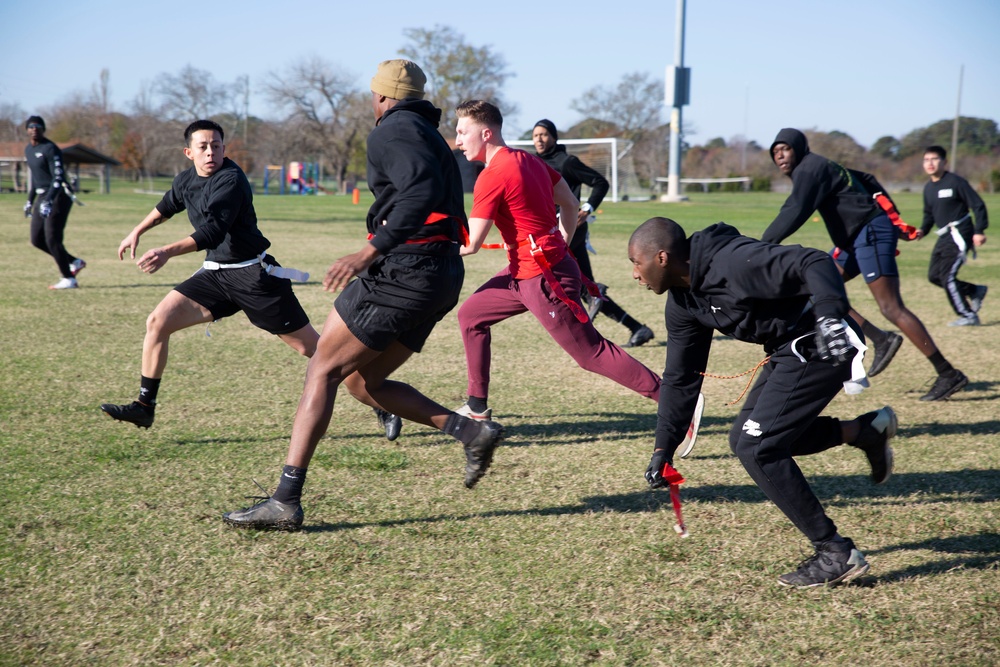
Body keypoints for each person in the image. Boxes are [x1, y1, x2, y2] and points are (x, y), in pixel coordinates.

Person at [223, 60, 503, 531]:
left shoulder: (391, 130)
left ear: (380, 97)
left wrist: (369, 251)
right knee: (362, 382)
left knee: (323, 369)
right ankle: (470, 431)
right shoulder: (428, 132)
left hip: (404, 270)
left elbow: (422, 190)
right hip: (440, 274)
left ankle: (285, 500)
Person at [630, 216, 896, 588]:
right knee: (745, 440)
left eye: (635, 263)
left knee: (758, 447)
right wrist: (664, 446)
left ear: (661, 258)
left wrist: (830, 318)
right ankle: (864, 431)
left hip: (821, 342)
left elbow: (814, 261)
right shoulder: (683, 301)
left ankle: (836, 553)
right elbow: (681, 377)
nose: (635, 275)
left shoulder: (732, 260)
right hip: (788, 351)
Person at [100, 120, 320, 429]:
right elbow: (167, 205)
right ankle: (144, 406)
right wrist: (137, 230)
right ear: (189, 152)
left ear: (224, 149)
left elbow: (213, 232)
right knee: (157, 322)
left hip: (253, 276)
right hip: (216, 276)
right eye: (202, 147)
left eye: (216, 146)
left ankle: (375, 394)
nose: (210, 152)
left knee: (311, 349)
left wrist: (165, 251)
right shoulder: (186, 179)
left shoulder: (230, 180)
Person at [454, 100, 661, 420]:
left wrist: (421, 242)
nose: (457, 140)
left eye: (461, 132)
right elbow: (570, 202)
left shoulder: (491, 175)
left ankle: (674, 401)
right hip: (523, 272)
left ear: (485, 133)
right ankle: (477, 407)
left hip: (543, 277)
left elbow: (471, 244)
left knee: (590, 353)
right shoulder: (531, 161)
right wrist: (560, 242)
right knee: (471, 316)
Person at [764, 128, 967, 401]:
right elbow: (868, 179)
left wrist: (763, 246)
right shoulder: (819, 165)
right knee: (817, 287)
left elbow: (795, 209)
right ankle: (881, 339)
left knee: (891, 306)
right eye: (775, 153)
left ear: (798, 148)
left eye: (784, 149)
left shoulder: (809, 168)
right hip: (857, 237)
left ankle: (948, 374)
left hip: (869, 231)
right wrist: (893, 218)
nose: (779, 156)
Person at [532, 119, 654, 347]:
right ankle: (638, 328)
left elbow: (600, 183)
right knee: (582, 284)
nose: (539, 139)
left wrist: (586, 209)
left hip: (570, 228)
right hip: (553, 230)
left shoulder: (567, 162)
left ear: (554, 138)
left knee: (565, 280)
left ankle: (588, 318)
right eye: (535, 135)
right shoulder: (534, 162)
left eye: (544, 134)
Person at [919, 145, 988, 326]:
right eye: (926, 160)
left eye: (934, 159)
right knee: (934, 276)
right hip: (944, 236)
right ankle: (974, 290)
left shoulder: (956, 182)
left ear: (944, 162)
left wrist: (979, 231)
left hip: (960, 233)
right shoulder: (928, 188)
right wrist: (922, 231)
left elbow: (978, 205)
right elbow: (928, 215)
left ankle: (968, 315)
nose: (930, 163)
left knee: (947, 276)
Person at [23, 115, 86, 290]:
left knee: (52, 238)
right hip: (43, 197)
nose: (34, 128)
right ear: (27, 130)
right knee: (37, 239)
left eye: (38, 126)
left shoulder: (50, 149)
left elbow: (58, 178)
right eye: (31, 126)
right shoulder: (28, 150)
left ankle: (68, 278)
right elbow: (36, 179)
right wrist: (29, 201)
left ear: (43, 129)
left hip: (59, 196)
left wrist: (49, 200)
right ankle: (74, 262)